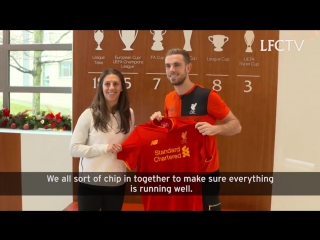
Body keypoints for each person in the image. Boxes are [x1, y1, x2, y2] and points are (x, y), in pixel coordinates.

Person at [150, 48, 242, 211]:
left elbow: (236, 125)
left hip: (206, 173)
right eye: (168, 66)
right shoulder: (168, 98)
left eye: (177, 65)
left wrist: (216, 129)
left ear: (188, 68)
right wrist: (160, 123)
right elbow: (172, 134)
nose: (172, 70)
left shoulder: (207, 96)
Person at [69, 68, 135, 211]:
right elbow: (74, 149)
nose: (111, 88)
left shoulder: (128, 114)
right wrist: (104, 148)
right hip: (90, 184)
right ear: (101, 87)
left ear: (122, 87)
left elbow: (131, 145)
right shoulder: (88, 114)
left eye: (116, 84)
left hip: (116, 183)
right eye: (107, 84)